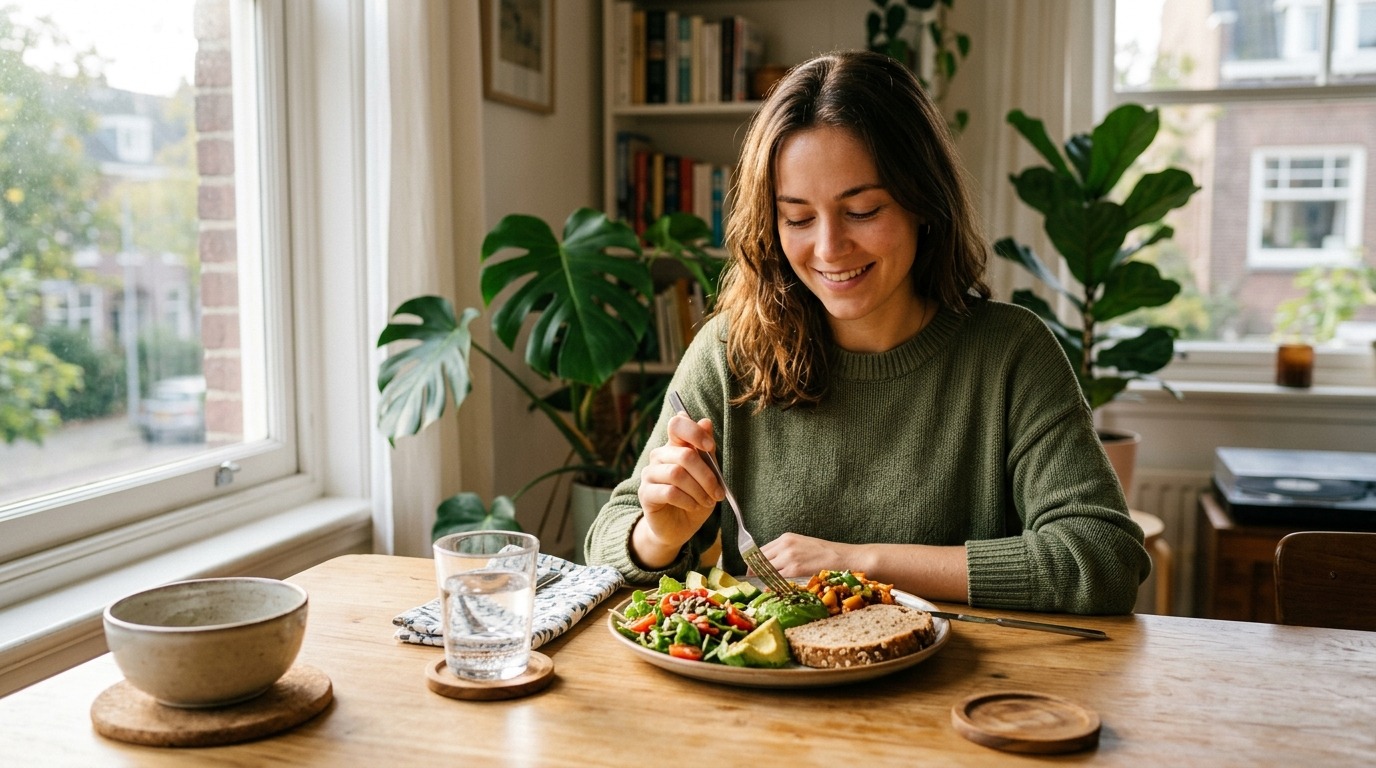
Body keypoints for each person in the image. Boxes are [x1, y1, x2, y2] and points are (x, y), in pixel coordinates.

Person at [585, 50, 1150, 615]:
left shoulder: (1010, 353)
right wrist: (658, 534)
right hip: (767, 696)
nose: (829, 249)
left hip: (961, 693)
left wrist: (859, 563)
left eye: (862, 210)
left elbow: (1101, 557)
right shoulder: (732, 352)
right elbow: (606, 543)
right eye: (798, 218)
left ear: (922, 202)